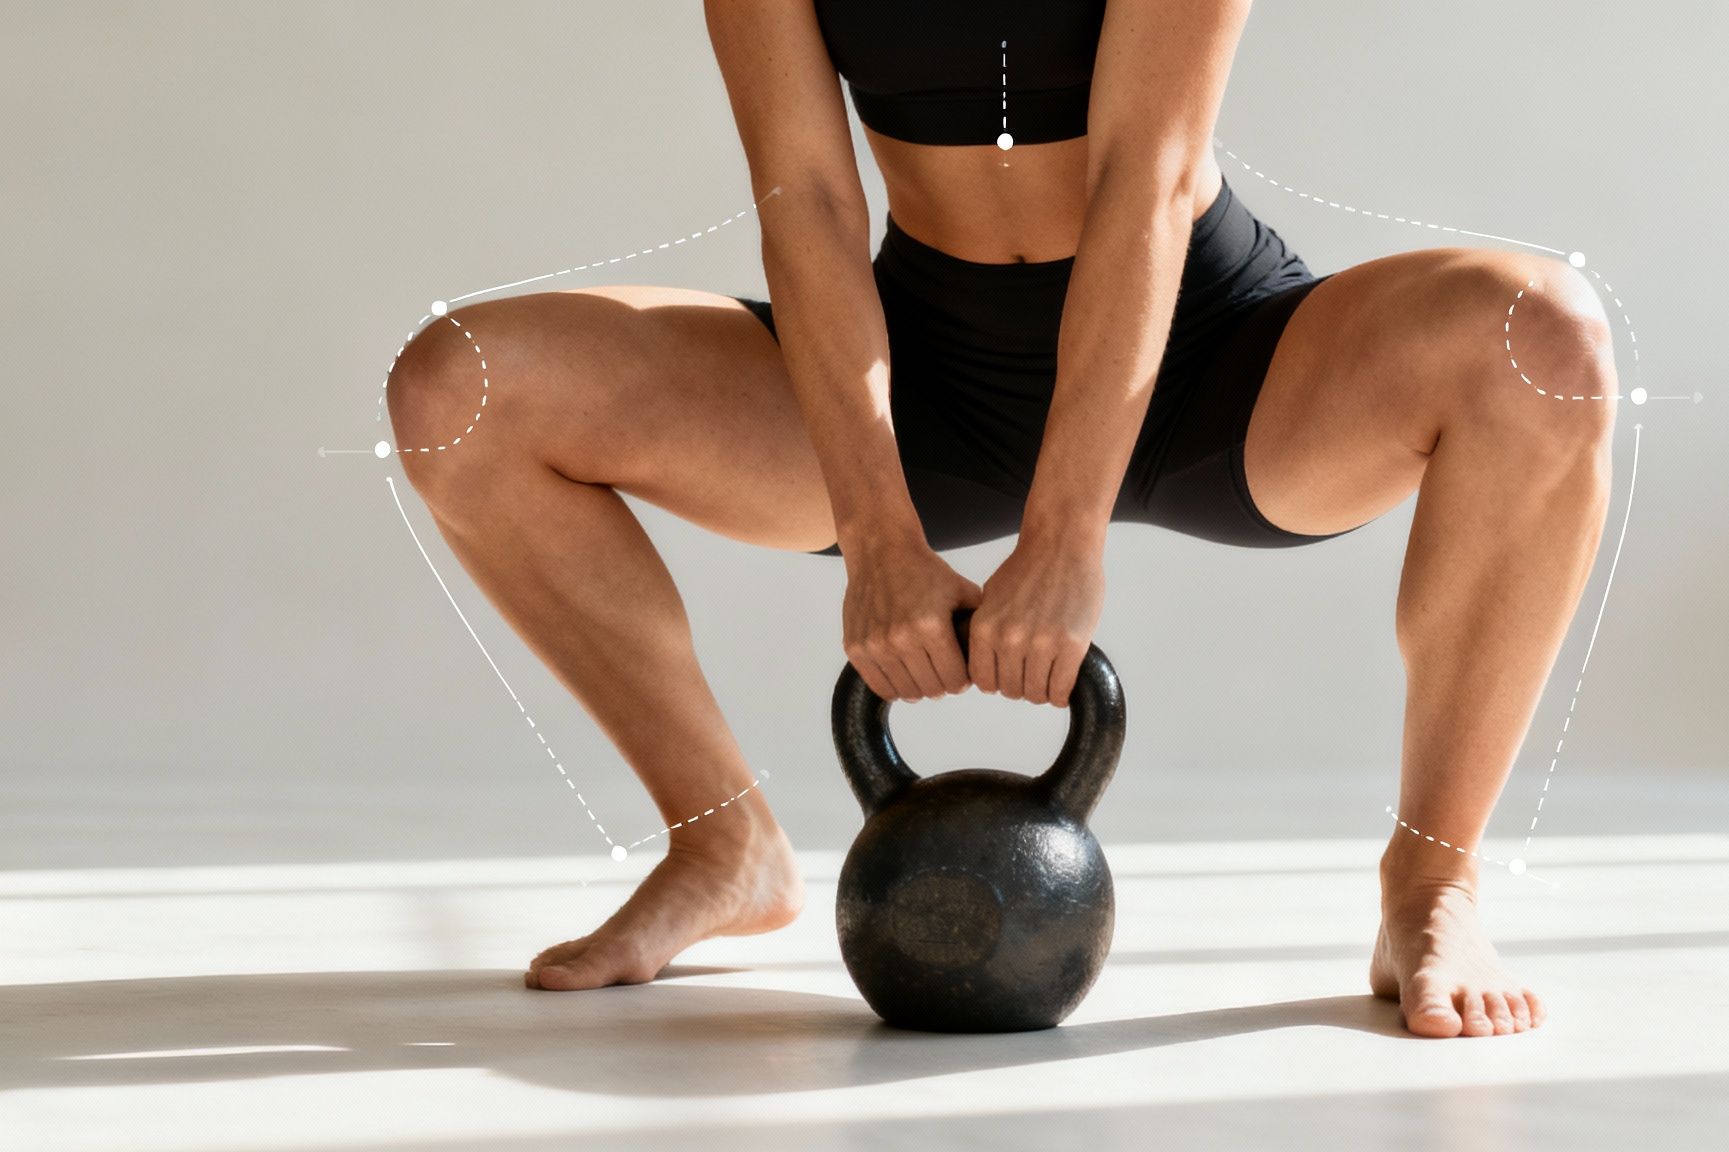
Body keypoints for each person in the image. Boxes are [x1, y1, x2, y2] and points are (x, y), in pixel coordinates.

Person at [385, 0, 1615, 1039]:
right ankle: (720, 846)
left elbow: (1152, 175)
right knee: (462, 392)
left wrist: (1066, 535)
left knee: (1538, 339)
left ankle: (1432, 874)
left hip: (1208, 360)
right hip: (925, 373)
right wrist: (874, 533)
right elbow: (807, 200)